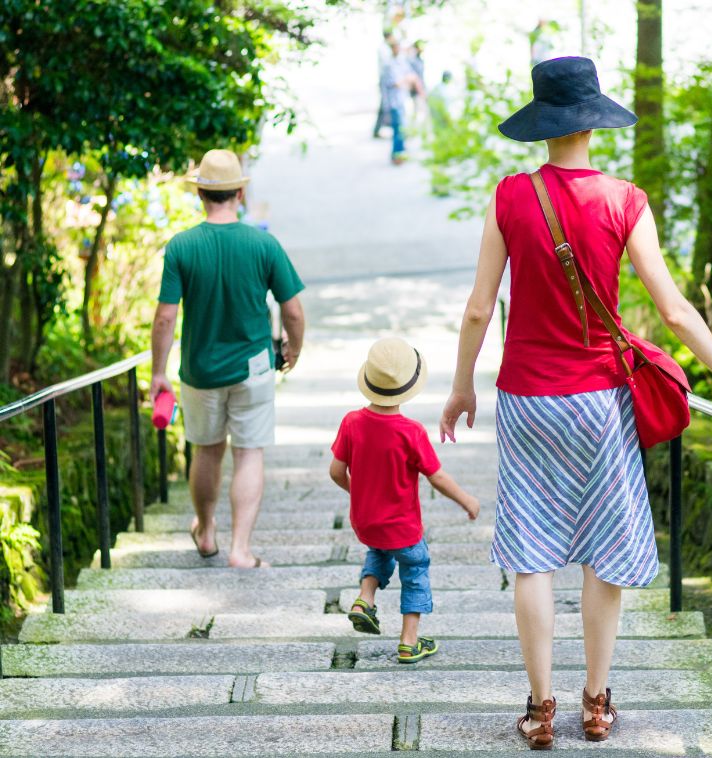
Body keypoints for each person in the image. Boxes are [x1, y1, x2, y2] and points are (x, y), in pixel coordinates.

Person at [438, 57, 712, 749]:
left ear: (543, 125)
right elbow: (675, 311)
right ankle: (596, 703)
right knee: (603, 549)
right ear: (594, 120)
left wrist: (461, 386)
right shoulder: (625, 200)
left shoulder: (510, 198)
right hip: (599, 399)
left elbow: (479, 309)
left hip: (529, 400)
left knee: (531, 554)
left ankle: (541, 710)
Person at [151, 148, 305, 570]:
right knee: (250, 452)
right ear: (239, 193)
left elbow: (166, 317)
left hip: (199, 371)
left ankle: (205, 531)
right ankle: (240, 549)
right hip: (253, 368)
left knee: (206, 450)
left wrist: (157, 374)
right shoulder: (263, 243)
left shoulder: (181, 247)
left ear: (201, 192)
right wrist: (294, 348)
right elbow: (292, 310)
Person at [330, 337, 479, 663]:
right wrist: (466, 500)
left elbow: (336, 471)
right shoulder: (410, 432)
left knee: (378, 552)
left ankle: (364, 599)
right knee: (415, 570)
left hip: (366, 523)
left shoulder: (351, 423)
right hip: (404, 528)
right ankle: (409, 642)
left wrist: (358, 492)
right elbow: (436, 477)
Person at [381, 38, 423, 164]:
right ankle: (396, 155)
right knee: (397, 130)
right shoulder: (389, 64)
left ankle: (401, 153)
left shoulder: (402, 62)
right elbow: (396, 83)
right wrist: (406, 80)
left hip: (402, 100)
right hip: (394, 102)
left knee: (402, 129)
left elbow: (412, 77)